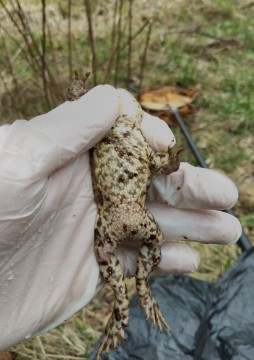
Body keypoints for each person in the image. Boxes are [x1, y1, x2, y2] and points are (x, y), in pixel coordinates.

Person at [0, 85, 241, 351]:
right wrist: (77, 98)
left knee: (136, 251)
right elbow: (161, 165)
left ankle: (134, 293)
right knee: (146, 246)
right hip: (128, 214)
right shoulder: (122, 139)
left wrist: (77, 96)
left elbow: (162, 165)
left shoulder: (111, 140)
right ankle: (132, 297)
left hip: (115, 215)